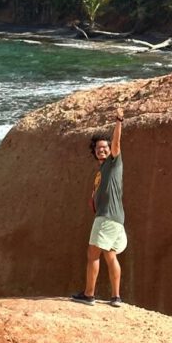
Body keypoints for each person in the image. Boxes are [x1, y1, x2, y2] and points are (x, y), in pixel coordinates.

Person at [72, 105, 126, 308]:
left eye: (104, 147)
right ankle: (116, 298)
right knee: (110, 255)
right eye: (98, 149)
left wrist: (119, 122)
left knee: (92, 254)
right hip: (116, 219)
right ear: (94, 152)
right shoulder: (102, 170)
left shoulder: (114, 162)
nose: (102, 150)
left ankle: (89, 295)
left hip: (106, 218)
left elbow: (117, 143)